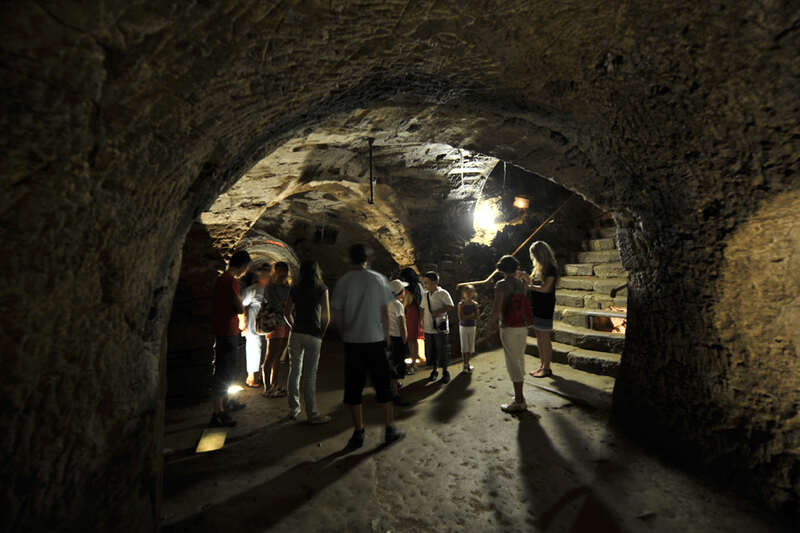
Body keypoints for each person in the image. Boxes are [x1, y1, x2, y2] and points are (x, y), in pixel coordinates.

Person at [333, 244, 405, 448]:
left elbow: (338, 314)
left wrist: (344, 334)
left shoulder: (343, 282)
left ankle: (358, 432)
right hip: (375, 341)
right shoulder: (378, 279)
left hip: (353, 342)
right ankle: (389, 429)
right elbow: (385, 311)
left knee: (354, 388)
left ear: (350, 259)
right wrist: (387, 339)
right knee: (383, 386)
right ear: (367, 258)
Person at [284, 260, 332, 424]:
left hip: (296, 333)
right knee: (309, 375)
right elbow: (327, 316)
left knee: (294, 371)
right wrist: (322, 333)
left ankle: (293, 409)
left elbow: (287, 312)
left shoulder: (295, 288)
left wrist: (293, 326)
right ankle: (312, 414)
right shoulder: (322, 288)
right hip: (313, 334)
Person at [209, 250, 251, 427]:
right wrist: (242, 309)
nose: (246, 270)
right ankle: (218, 413)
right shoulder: (231, 281)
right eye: (247, 267)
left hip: (224, 328)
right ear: (242, 265)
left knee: (228, 369)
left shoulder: (222, 279)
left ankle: (227, 403)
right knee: (224, 371)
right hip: (228, 330)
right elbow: (238, 306)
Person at [493, 254, 532, 413]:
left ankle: (519, 400)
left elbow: (497, 308)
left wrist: (492, 323)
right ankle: (520, 396)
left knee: (512, 362)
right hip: (522, 325)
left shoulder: (501, 285)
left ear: (502, 270)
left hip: (508, 326)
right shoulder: (522, 284)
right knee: (519, 358)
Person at [527, 241, 559, 378]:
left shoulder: (550, 268)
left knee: (544, 337)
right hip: (536, 305)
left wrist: (530, 287)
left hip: (545, 305)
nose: (532, 257)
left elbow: (546, 288)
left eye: (534, 254)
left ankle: (547, 368)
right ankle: (542, 365)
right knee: (539, 337)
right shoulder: (538, 268)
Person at [263, 261, 292, 397]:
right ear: (275, 272)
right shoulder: (271, 287)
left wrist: (286, 305)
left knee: (280, 356)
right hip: (275, 322)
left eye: (284, 270)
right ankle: (267, 387)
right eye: (280, 270)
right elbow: (276, 305)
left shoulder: (288, 287)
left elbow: (291, 304)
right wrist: (285, 305)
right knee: (271, 354)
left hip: (286, 322)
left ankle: (276, 385)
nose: (283, 273)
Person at [420, 271, 454, 383]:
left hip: (440, 327)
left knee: (442, 350)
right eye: (424, 283)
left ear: (435, 282)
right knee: (431, 350)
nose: (425, 285)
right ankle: (434, 371)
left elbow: (450, 306)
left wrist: (438, 312)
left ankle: (445, 371)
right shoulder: (425, 295)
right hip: (429, 328)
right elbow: (422, 309)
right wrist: (421, 322)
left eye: (427, 283)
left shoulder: (443, 293)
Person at [241, 266, 270, 388]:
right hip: (253, 323)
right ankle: (252, 376)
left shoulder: (269, 289)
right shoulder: (252, 290)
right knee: (254, 348)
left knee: (264, 349)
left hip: (266, 323)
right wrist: (243, 323)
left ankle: (259, 375)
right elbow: (241, 304)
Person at [388, 279, 411, 406]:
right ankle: (395, 394)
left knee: (390, 363)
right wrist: (405, 340)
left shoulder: (385, 303)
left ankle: (394, 385)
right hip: (397, 338)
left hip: (387, 337)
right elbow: (402, 325)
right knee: (397, 365)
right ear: (401, 292)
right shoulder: (398, 305)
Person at [399, 267, 425, 366]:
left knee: (410, 339)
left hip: (410, 314)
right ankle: (416, 356)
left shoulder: (408, 290)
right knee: (414, 338)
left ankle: (413, 361)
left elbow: (405, 304)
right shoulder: (419, 286)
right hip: (417, 313)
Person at [457, 284, 479, 373]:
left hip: (472, 326)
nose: (469, 294)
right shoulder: (460, 304)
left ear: (473, 293)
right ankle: (465, 364)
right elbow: (461, 317)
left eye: (471, 292)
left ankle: (467, 363)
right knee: (464, 346)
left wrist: (468, 316)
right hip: (463, 327)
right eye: (467, 292)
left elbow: (477, 317)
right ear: (463, 294)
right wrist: (471, 315)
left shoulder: (475, 304)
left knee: (470, 346)